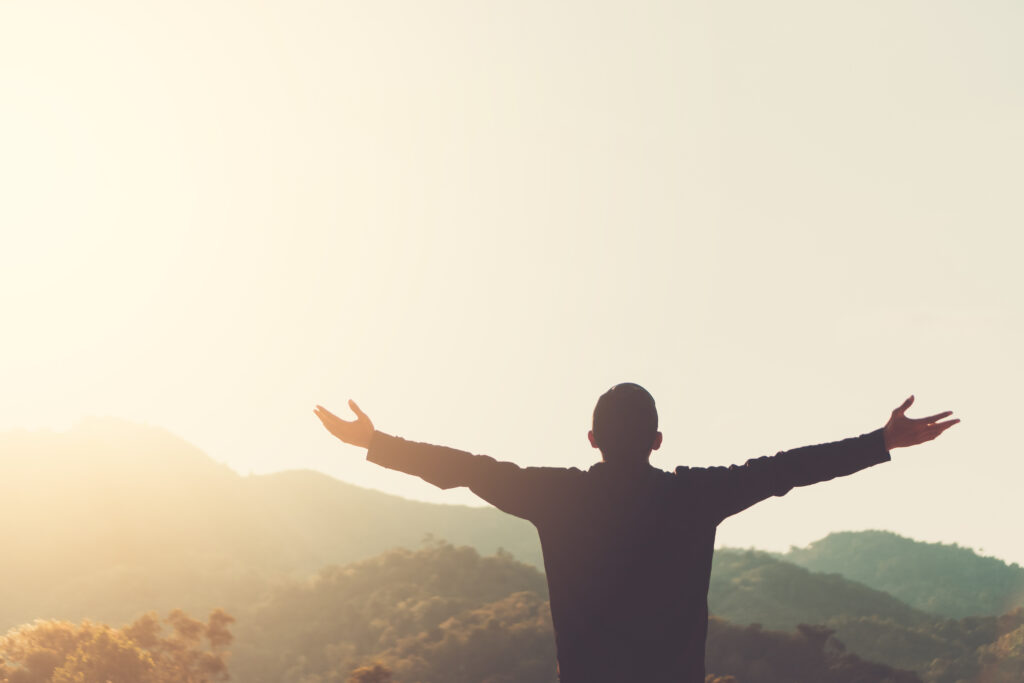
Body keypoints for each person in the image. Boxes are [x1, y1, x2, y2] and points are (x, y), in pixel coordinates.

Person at [314, 384, 957, 683]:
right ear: (656, 441)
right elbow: (787, 471)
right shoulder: (693, 496)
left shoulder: (556, 495)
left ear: (591, 439)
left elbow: (464, 470)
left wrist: (374, 442)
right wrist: (882, 441)